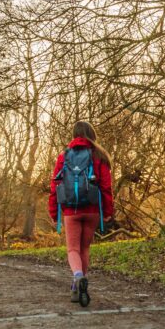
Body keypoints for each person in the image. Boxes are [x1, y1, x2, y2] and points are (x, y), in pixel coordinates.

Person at [49, 120, 114, 306]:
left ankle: (78, 277)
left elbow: (55, 187)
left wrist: (54, 213)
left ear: (74, 135)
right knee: (84, 248)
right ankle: (78, 285)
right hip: (92, 209)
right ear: (92, 134)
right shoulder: (100, 156)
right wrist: (108, 211)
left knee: (72, 249)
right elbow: (106, 187)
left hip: (71, 210)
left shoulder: (64, 156)